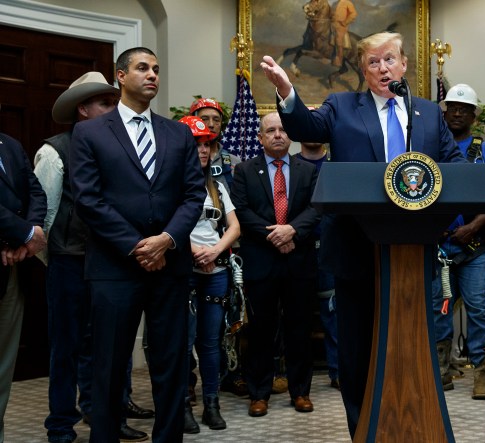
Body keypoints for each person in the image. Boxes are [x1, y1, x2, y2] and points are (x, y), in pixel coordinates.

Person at [260, 31, 465, 436]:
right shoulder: (342, 106)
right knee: (357, 349)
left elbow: (454, 167)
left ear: (404, 64)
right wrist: (287, 92)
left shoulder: (427, 113)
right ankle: (364, 429)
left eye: (389, 59)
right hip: (356, 248)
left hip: (413, 248)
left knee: (411, 344)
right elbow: (306, 127)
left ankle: (415, 425)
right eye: (372, 62)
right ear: (363, 70)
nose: (382, 68)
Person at [69, 47, 206, 442]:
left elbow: (193, 196)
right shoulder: (90, 132)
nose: (152, 75)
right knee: (109, 367)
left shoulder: (178, 132)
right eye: (142, 68)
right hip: (114, 268)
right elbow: (88, 200)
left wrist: (165, 240)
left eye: (157, 70)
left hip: (170, 267)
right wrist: (137, 246)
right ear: (120, 76)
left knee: (170, 365)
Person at [35, 72, 150, 443]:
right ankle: (60, 428)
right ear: (83, 109)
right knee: (66, 349)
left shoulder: (117, 146)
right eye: (103, 102)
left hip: (110, 263)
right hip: (68, 263)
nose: (111, 108)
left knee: (106, 349)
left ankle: (107, 419)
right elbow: (45, 219)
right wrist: (55, 262)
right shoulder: (54, 151)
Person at [231, 112, 320, 418]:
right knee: (261, 332)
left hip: (299, 261)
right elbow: (241, 211)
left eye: (283, 129)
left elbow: (317, 207)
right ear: (260, 138)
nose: (278, 134)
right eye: (271, 130)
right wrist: (276, 235)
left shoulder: (308, 171)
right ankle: (259, 393)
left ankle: (301, 392)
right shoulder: (244, 170)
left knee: (299, 330)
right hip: (262, 261)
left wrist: (292, 230)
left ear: (290, 135)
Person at [432, 83, 485, 400]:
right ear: (445, 112)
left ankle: (481, 373)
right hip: (439, 246)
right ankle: (440, 370)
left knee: (478, 309)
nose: (458, 112)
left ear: (474, 115)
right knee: (439, 309)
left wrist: (474, 226)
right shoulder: (432, 149)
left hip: (474, 247)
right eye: (452, 107)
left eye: (464, 108)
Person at [177, 116, 240, 433]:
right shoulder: (171, 184)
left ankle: (211, 403)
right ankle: (183, 405)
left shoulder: (216, 186)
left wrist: (215, 252)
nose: (202, 151)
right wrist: (190, 251)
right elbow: (164, 226)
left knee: (211, 341)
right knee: (182, 340)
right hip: (183, 271)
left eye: (207, 145)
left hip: (215, 270)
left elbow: (235, 226)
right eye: (196, 144)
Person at [0, 131, 46, 443]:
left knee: (3, 367)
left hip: (10, 270)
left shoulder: (11, 145)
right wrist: (23, 234)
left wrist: (27, 239)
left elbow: (36, 193)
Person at [296, 140, 340, 390]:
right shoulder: (291, 164)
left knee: (334, 313)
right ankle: (295, 380)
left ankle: (338, 371)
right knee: (294, 317)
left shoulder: (336, 165)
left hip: (330, 247)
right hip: (296, 247)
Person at [189, 98, 241, 192]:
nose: (211, 124)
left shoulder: (235, 162)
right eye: (204, 119)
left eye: (216, 120)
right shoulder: (185, 159)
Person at [332, 0, 357, 67]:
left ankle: (339, 59)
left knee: (338, 38)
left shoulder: (348, 3)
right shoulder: (335, 3)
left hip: (341, 26)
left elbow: (353, 14)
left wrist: (345, 22)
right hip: (332, 24)